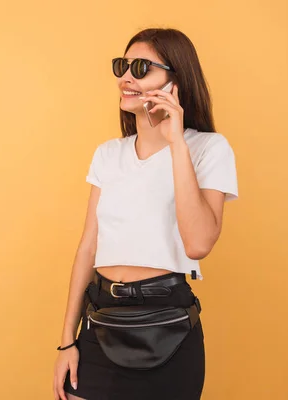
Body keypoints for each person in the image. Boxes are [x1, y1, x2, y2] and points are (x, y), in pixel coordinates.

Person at [52, 28, 239, 400]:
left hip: (168, 325)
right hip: (100, 321)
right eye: (122, 66)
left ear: (175, 80)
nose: (126, 78)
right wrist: (66, 343)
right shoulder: (108, 154)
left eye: (141, 68)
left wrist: (176, 144)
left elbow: (199, 243)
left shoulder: (208, 148)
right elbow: (88, 247)